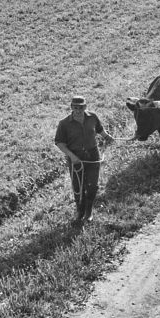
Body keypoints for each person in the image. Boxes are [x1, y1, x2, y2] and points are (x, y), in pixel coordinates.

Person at [55, 95, 113, 223]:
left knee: (92, 185)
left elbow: (99, 129)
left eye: (81, 107)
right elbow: (59, 142)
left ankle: (89, 211)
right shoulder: (64, 124)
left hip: (92, 156)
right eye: (75, 107)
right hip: (76, 158)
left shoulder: (92, 117)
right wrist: (72, 156)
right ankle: (79, 212)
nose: (78, 110)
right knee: (78, 186)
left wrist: (107, 137)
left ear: (85, 107)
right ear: (71, 107)